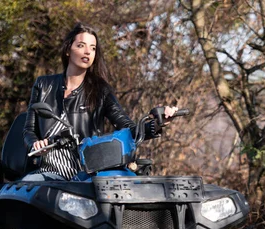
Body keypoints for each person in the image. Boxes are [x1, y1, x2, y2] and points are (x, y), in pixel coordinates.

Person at [22, 22, 177, 181]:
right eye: (81, 45)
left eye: (93, 48)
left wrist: (157, 123)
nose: (88, 51)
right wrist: (35, 145)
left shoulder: (101, 90)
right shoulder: (43, 85)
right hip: (49, 173)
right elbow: (29, 130)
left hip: (85, 175)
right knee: (26, 187)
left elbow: (128, 128)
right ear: (68, 49)